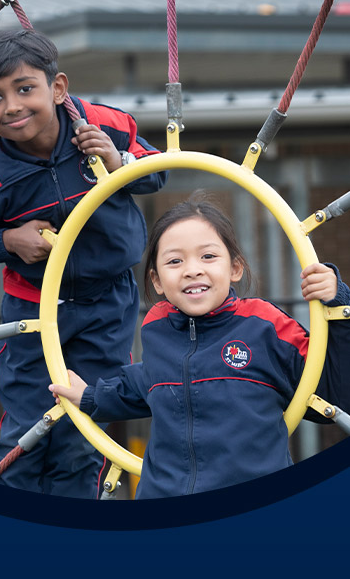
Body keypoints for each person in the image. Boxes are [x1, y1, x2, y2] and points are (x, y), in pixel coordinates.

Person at [0, 29, 167, 497]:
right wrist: (11, 239)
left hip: (107, 302)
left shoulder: (103, 123)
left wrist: (119, 158)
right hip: (33, 307)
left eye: (25, 89)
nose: (12, 106)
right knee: (30, 424)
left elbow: (157, 171)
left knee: (82, 422)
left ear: (57, 88)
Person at [50, 190, 350, 499]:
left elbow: (333, 389)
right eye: (175, 260)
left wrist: (340, 306)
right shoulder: (157, 327)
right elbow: (145, 384)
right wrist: (89, 396)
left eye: (208, 256)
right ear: (156, 280)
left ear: (235, 268)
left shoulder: (265, 326)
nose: (192, 269)